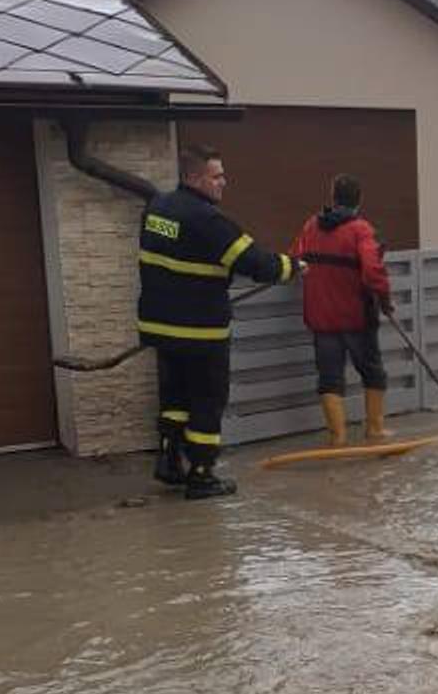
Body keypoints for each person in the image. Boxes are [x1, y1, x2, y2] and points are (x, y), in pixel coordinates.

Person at [138, 144, 299, 499]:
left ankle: (169, 462)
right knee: (207, 401)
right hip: (200, 330)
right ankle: (201, 474)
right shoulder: (208, 221)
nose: (224, 182)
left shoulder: (157, 208)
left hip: (161, 327)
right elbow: (256, 264)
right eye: (217, 176)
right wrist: (292, 266)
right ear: (193, 178)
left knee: (175, 397)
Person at [291, 174, 394, 446]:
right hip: (356, 318)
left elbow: (293, 259)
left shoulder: (311, 226)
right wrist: (385, 299)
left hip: (321, 319)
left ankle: (337, 438)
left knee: (329, 379)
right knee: (373, 372)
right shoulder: (361, 230)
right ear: (359, 201)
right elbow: (373, 272)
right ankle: (375, 431)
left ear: (333, 197)